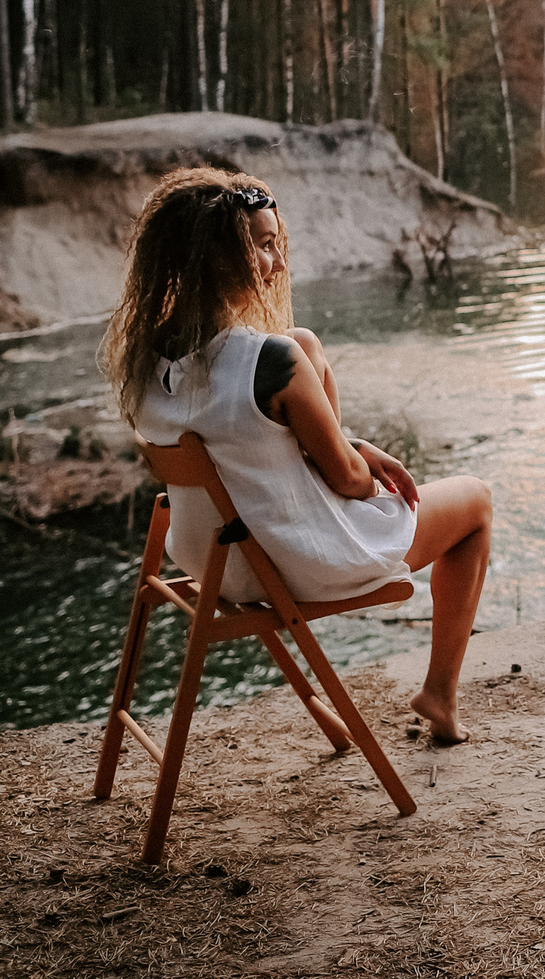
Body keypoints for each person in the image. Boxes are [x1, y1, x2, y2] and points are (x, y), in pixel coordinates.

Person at [100, 167, 494, 744]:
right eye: (262, 246)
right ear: (214, 257)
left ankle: (436, 693)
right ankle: (440, 694)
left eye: (275, 243)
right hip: (286, 559)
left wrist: (347, 443)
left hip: (207, 560)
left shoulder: (143, 363)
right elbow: (353, 484)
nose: (278, 264)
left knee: (305, 338)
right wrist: (355, 459)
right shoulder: (269, 363)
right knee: (476, 502)